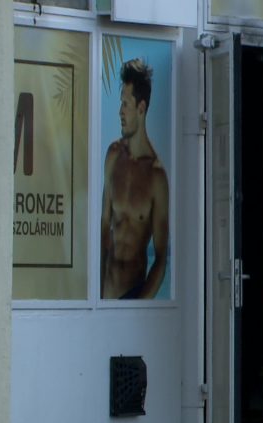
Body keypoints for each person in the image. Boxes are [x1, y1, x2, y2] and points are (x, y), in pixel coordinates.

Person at [101, 58, 169, 299]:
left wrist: (140, 305)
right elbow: (104, 226)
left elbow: (161, 258)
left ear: (141, 108)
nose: (120, 112)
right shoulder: (113, 155)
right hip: (105, 295)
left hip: (132, 294)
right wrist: (97, 296)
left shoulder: (157, 177)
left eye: (125, 104)